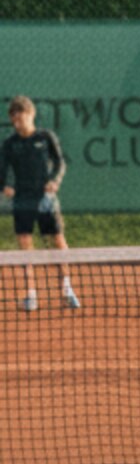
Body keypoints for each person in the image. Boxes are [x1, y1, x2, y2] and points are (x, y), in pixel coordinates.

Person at [2, 96, 81, 311]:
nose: (19, 123)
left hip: (46, 200)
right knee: (25, 245)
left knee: (58, 241)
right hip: (22, 201)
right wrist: (4, 187)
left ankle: (67, 289)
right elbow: (2, 171)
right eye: (15, 120)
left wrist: (55, 180)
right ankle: (31, 295)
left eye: (22, 118)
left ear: (31, 115)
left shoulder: (46, 138)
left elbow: (60, 162)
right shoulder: (10, 144)